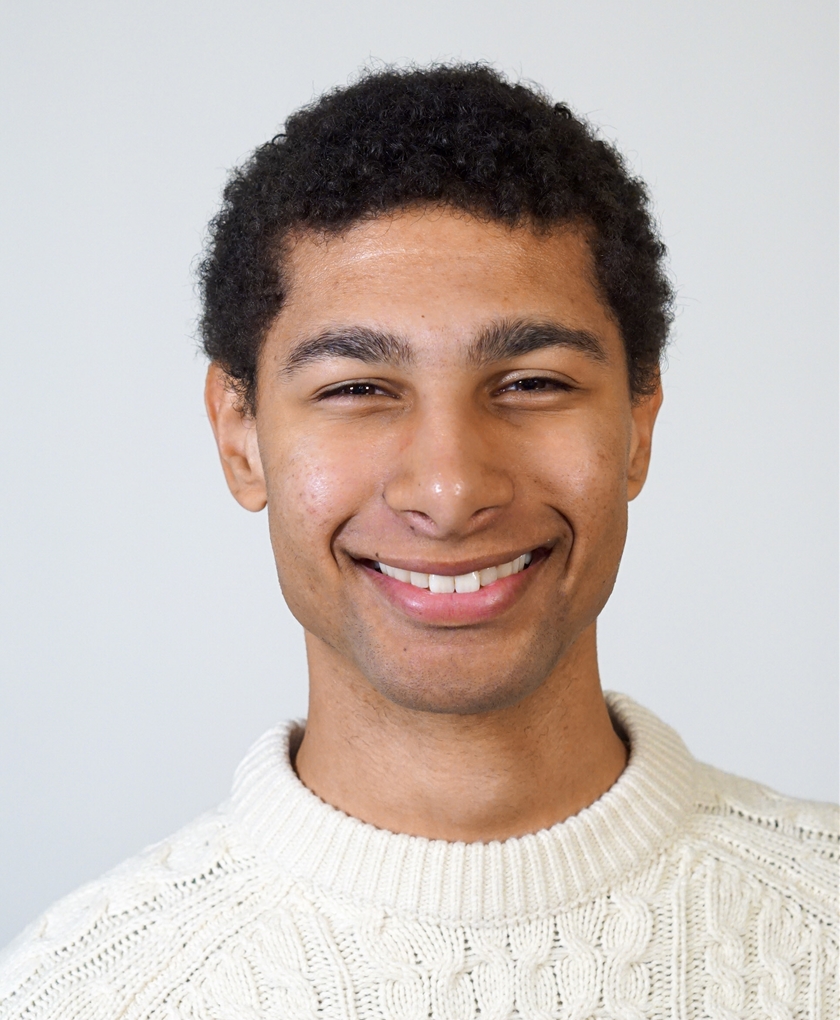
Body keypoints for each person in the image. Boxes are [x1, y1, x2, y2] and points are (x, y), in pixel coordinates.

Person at [0, 64, 836, 1020]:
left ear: (638, 424)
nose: (449, 492)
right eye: (356, 389)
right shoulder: (81, 995)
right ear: (239, 436)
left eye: (532, 383)